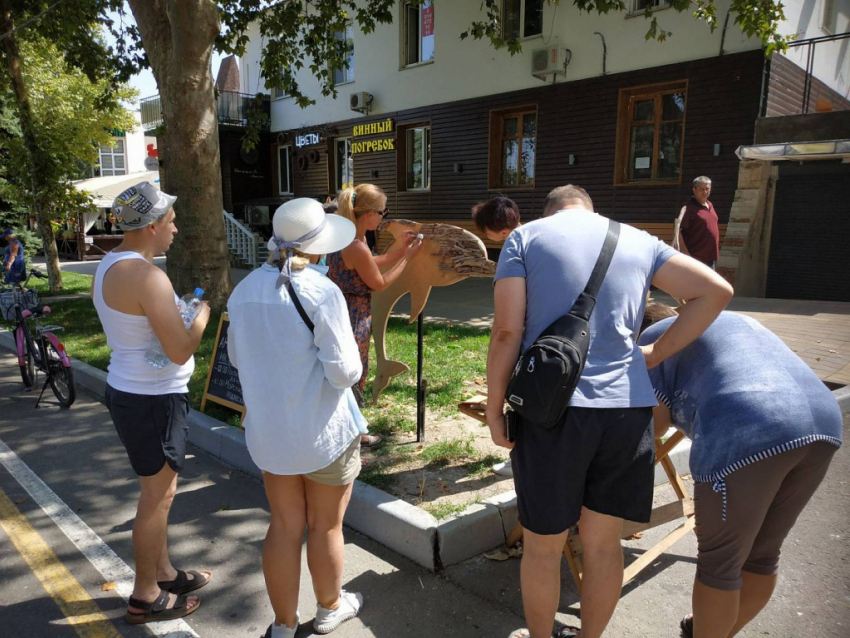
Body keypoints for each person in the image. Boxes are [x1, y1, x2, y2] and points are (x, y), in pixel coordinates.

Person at [486, 184, 733, 638]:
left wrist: (494, 406)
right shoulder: (638, 239)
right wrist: (657, 352)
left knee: (543, 546)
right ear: (589, 207)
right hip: (628, 410)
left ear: (550, 209)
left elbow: (506, 331)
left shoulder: (525, 238)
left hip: (550, 410)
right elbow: (716, 290)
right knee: (602, 545)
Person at [638, 304, 842, 638]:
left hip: (748, 427)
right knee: (762, 556)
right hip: (823, 419)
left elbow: (650, 429)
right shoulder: (726, 319)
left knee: (720, 566)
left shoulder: (653, 340)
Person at [226, 199, 365, 638]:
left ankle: (283, 625)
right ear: (320, 248)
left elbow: (235, 356)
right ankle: (329, 607)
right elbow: (345, 373)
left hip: (271, 435)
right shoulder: (323, 292)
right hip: (324, 432)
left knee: (284, 525)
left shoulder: (244, 289)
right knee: (326, 525)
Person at [93, 182, 212, 624]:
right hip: (153, 399)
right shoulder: (147, 275)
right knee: (156, 498)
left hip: (134, 392)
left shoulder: (110, 265)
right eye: (170, 220)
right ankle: (145, 595)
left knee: (160, 491)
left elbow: (140, 328)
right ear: (150, 225)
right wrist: (199, 315)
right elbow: (180, 349)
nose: (175, 228)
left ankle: (162, 572)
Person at [327, 183, 423, 432]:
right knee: (354, 370)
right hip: (354, 315)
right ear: (369, 214)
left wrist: (400, 250)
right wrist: (407, 259)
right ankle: (352, 431)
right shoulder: (357, 245)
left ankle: (346, 426)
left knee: (339, 367)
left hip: (338, 308)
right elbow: (379, 282)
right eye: (382, 212)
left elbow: (369, 262)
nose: (383, 217)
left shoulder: (344, 237)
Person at [677, 176, 720, 269]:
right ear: (694, 189)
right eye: (701, 189)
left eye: (707, 189)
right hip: (696, 258)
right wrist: (685, 254)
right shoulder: (689, 208)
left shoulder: (710, 205)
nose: (705, 192)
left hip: (710, 257)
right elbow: (678, 232)